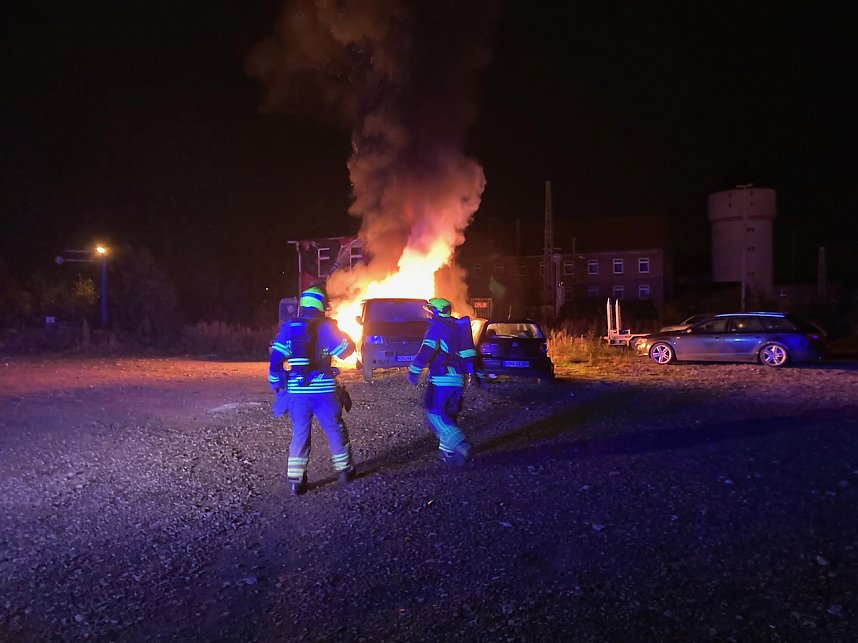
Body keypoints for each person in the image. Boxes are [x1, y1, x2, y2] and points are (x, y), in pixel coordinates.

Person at [268, 286, 357, 496]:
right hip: (324, 391)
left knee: (300, 433)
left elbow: (274, 363)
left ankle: (296, 482)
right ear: (320, 305)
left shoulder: (289, 327)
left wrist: (277, 387)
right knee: (334, 429)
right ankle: (345, 471)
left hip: (297, 392)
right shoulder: (327, 327)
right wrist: (340, 332)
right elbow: (347, 351)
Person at [407, 297, 482, 465]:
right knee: (450, 413)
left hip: (442, 378)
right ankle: (447, 453)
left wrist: (414, 370)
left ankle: (460, 444)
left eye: (430, 310)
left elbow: (427, 349)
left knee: (434, 412)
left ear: (436, 311)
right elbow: (469, 354)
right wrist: (477, 375)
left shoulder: (437, 326)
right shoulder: (459, 327)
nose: (428, 314)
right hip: (459, 379)